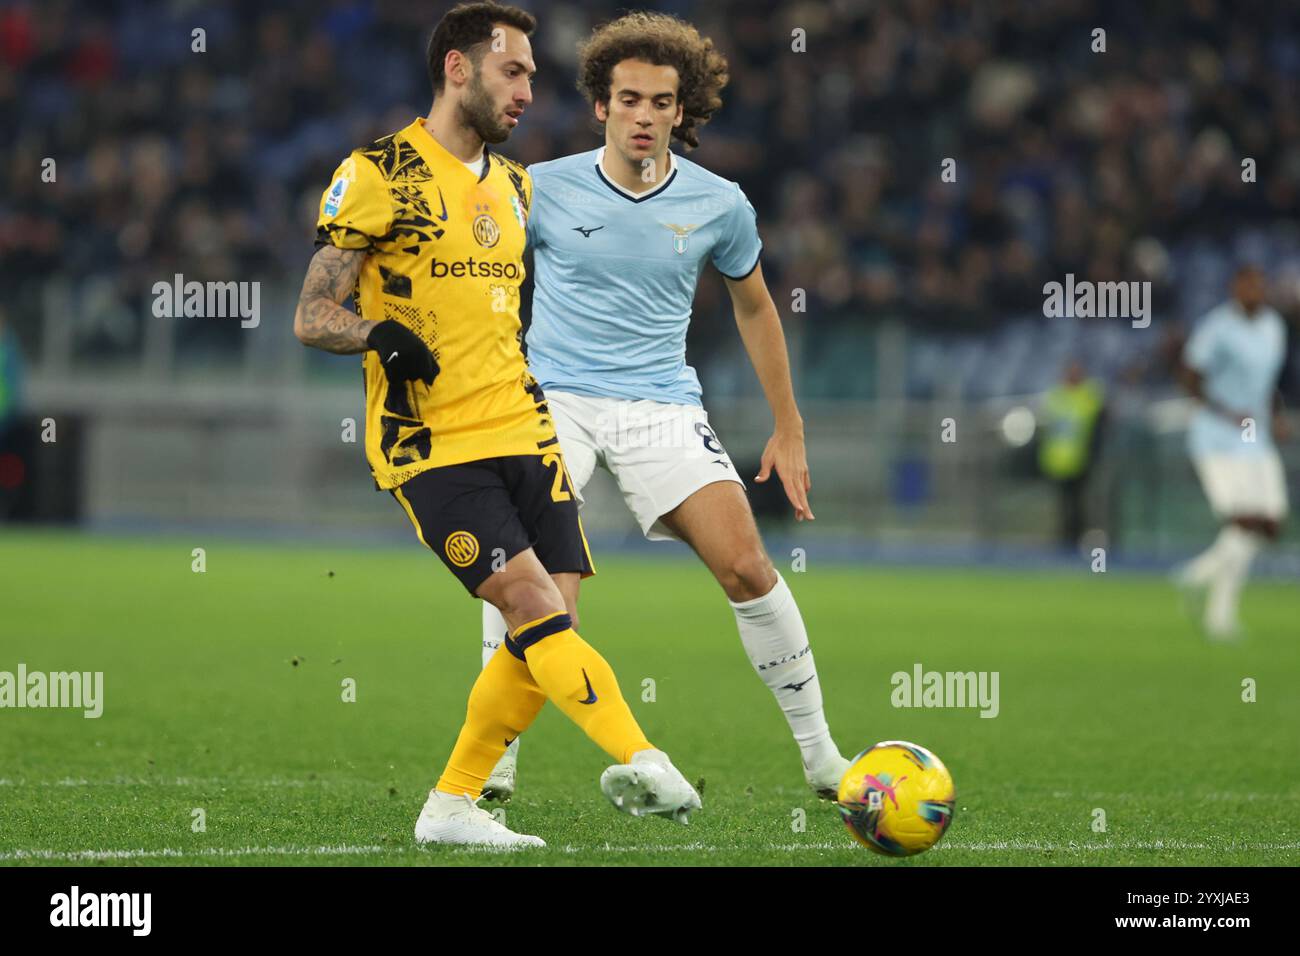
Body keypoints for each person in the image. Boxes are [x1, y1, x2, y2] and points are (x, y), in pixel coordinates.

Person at [294, 2, 699, 847]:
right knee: (528, 602)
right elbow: (310, 313)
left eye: (531, 77)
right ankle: (644, 756)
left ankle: (450, 805)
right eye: (512, 71)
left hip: (523, 425)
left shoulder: (515, 185)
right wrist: (377, 333)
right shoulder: (380, 172)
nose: (526, 91)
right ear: (457, 69)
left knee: (551, 624)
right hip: (431, 445)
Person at [479, 11, 849, 803]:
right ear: (601, 106)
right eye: (629, 99)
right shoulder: (539, 189)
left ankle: (823, 759)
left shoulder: (721, 204)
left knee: (748, 567)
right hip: (555, 401)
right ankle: (494, 762)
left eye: (660, 102)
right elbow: (485, 289)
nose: (644, 115)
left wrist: (789, 426)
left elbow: (755, 308)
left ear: (683, 112)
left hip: (661, 403)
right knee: (542, 587)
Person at [1174, 265, 1290, 639]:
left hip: (1255, 437)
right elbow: (1190, 377)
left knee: (1270, 523)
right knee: (1242, 522)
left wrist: (1276, 416)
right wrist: (1226, 412)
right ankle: (1219, 616)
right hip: (1216, 436)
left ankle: (1193, 577)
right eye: (1245, 284)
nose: (1253, 290)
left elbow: (1266, 383)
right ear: (1234, 289)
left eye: (1258, 283)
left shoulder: (1274, 326)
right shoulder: (1216, 328)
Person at [1037, 360, 1105, 551]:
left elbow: (1097, 424)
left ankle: (1078, 540)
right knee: (1063, 506)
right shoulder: (1056, 396)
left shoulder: (1089, 396)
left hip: (1081, 460)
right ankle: (1064, 541)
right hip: (1058, 461)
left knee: (1080, 505)